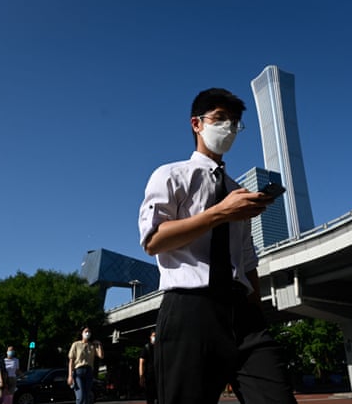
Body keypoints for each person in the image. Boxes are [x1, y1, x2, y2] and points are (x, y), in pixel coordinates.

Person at [138, 88, 297, 404]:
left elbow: (247, 257)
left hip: (242, 313)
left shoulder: (238, 191)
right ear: (196, 124)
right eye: (220, 118)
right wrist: (218, 213)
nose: (229, 128)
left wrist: (256, 308)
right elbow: (154, 240)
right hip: (190, 308)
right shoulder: (171, 175)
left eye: (235, 122)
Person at [67, 326, 104, 404]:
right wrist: (70, 375)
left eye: (89, 332)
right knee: (80, 397)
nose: (88, 333)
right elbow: (71, 361)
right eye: (86, 331)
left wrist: (99, 344)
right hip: (78, 372)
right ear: (82, 333)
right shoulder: (76, 344)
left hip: (89, 372)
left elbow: (101, 356)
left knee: (87, 397)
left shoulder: (92, 345)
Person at [138, 331, 157, 404]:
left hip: (159, 376)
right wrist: (141, 377)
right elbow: (141, 363)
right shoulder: (147, 347)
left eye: (156, 335)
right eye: (153, 335)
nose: (155, 337)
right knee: (150, 398)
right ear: (150, 337)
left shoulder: (160, 347)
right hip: (150, 377)